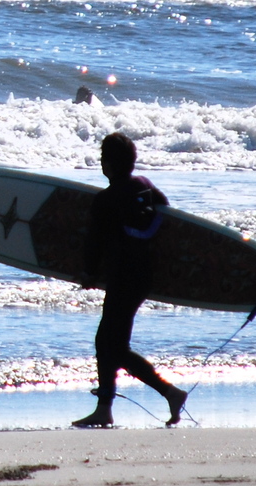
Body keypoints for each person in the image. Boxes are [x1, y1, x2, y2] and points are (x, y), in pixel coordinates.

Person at [74, 132, 188, 429]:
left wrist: (88, 273)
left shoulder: (105, 200)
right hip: (143, 276)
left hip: (122, 279)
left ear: (109, 165)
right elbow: (167, 214)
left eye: (102, 160)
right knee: (108, 342)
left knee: (113, 346)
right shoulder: (145, 186)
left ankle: (169, 393)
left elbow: (94, 243)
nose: (101, 165)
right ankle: (105, 407)